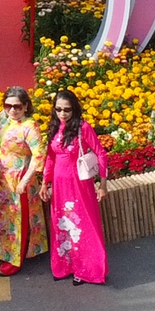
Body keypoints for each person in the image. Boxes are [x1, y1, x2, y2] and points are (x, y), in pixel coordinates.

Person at [44, 88, 109, 285]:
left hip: (78, 185)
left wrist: (103, 184)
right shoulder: (55, 127)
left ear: (75, 110)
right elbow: (50, 157)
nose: (62, 114)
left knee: (81, 225)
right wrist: (44, 182)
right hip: (59, 185)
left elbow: (101, 153)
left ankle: (86, 269)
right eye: (58, 109)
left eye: (67, 110)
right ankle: (65, 266)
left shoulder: (83, 128)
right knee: (62, 225)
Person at [0, 90, 47, 277]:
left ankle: (14, 259)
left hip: (18, 179)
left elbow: (38, 156)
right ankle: (7, 250)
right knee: (5, 217)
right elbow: (0, 141)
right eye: (8, 106)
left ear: (26, 106)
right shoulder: (3, 119)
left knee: (16, 219)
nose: (12, 110)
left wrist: (25, 180)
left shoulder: (30, 126)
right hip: (1, 179)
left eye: (17, 106)